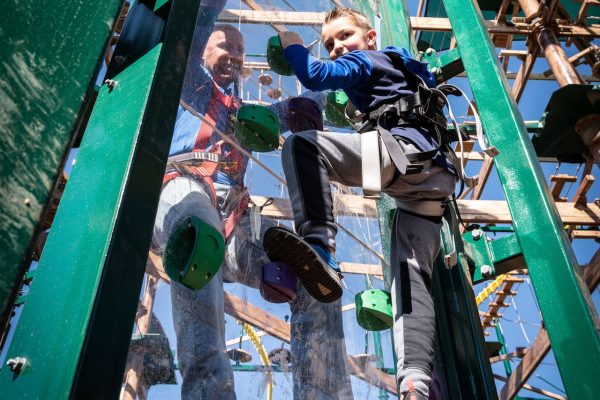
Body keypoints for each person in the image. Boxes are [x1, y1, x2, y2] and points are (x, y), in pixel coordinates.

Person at [151, 5, 354, 398]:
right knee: (199, 236)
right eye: (226, 46)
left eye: (241, 50)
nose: (235, 54)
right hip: (182, 189)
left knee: (314, 278)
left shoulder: (244, 114)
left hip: (235, 218)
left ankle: (321, 393)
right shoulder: (189, 81)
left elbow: (292, 110)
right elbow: (196, 25)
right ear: (204, 52)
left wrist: (329, 84)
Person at [262, 7, 457, 400]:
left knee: (303, 147)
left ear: (370, 38)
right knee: (410, 279)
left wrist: (293, 44)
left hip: (402, 156)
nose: (337, 48)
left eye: (345, 36)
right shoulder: (399, 70)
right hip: (431, 182)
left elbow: (315, 75)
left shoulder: (369, 60)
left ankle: (320, 245)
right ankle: (416, 383)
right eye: (329, 43)